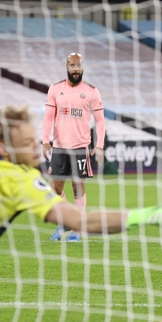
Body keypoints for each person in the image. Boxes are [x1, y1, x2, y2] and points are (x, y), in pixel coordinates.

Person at [0, 77, 162, 272]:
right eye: (28, 144)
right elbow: (83, 222)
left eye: (35, 139)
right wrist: (148, 215)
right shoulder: (22, 183)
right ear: (3, 148)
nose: (37, 148)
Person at [42, 53, 106, 242]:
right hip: (60, 147)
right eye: (72, 65)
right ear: (66, 66)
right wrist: (45, 141)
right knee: (55, 188)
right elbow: (48, 117)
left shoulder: (92, 91)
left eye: (78, 65)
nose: (75, 69)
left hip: (80, 146)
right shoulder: (55, 89)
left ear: (82, 67)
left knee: (78, 185)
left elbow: (100, 119)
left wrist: (100, 144)